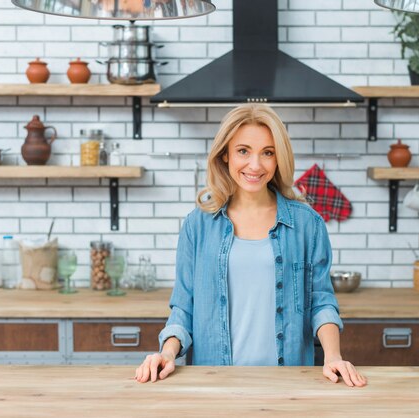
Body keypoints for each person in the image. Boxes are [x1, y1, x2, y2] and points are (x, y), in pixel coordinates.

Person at [135, 104, 367, 387]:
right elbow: (184, 307)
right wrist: (167, 353)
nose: (255, 165)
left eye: (267, 153)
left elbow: (321, 301)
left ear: (278, 158)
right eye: (243, 151)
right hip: (216, 385)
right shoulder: (198, 225)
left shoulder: (308, 224)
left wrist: (333, 356)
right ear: (225, 154)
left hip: (288, 384)